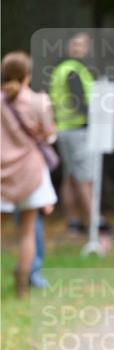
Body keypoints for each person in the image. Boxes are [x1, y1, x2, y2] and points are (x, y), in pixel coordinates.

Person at [1, 51, 57, 296]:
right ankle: (22, 285)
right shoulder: (39, 101)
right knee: (27, 231)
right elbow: (49, 135)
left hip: (2, 173)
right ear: (27, 75)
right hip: (31, 173)